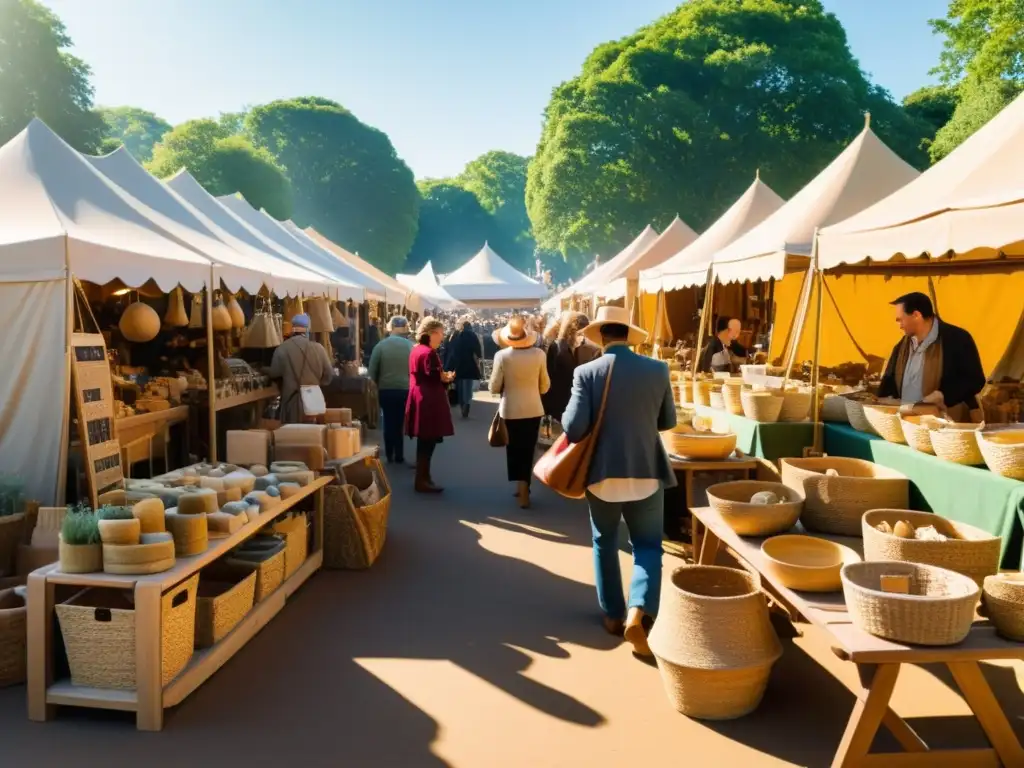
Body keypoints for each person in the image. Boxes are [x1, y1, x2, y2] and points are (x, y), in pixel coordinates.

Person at [561, 305, 676, 658]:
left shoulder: (586, 372)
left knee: (604, 541)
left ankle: (612, 614)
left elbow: (573, 427)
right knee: (647, 545)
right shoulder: (658, 369)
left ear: (600, 336)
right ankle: (639, 610)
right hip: (646, 471)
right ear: (628, 333)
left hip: (602, 474)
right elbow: (666, 421)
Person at [878, 292, 985, 422]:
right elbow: (888, 383)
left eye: (901, 319)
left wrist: (943, 395)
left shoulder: (957, 339)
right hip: (907, 424)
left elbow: (975, 380)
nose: (900, 325)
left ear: (916, 315)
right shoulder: (901, 346)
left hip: (947, 427)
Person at [489, 316, 551, 508]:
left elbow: (493, 386)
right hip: (533, 408)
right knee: (528, 448)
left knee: (514, 449)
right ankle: (524, 486)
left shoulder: (502, 356)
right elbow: (545, 386)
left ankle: (520, 486)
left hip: (510, 409)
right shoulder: (539, 354)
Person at [405, 317, 455, 493]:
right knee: (427, 441)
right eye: (441, 333)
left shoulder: (416, 350)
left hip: (420, 396)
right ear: (432, 333)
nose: (442, 337)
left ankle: (424, 477)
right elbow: (434, 376)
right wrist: (446, 378)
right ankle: (422, 479)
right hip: (428, 400)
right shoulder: (428, 353)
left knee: (425, 442)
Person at [267, 314, 334, 423]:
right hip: (313, 402)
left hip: (291, 403)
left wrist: (264, 370)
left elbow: (274, 373)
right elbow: (329, 375)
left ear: (293, 329)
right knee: (313, 436)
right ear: (308, 329)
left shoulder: (282, 349)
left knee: (293, 436)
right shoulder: (319, 349)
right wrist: (314, 384)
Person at [368, 316, 414, 465]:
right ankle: (399, 454)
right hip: (404, 390)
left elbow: (372, 370)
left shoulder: (381, 346)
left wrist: (376, 382)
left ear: (390, 328)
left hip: (386, 390)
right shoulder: (410, 346)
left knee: (388, 420)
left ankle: (389, 454)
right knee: (400, 422)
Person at [542, 311, 601, 423]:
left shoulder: (585, 349)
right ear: (570, 332)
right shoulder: (557, 348)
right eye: (579, 334)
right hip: (560, 404)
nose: (582, 338)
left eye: (584, 334)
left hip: (575, 402)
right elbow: (550, 377)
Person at [447, 319, 484, 418]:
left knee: (460, 385)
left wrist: (449, 366)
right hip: (470, 364)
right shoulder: (473, 336)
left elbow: (452, 350)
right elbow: (478, 350)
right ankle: (467, 402)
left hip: (458, 365)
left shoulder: (457, 336)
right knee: (468, 385)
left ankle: (462, 403)